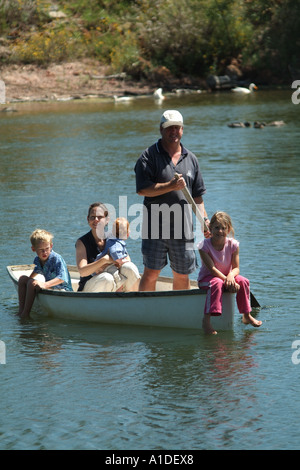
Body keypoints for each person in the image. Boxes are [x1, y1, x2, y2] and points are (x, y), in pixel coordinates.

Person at [134, 109, 209, 291]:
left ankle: (179, 313)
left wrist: (204, 220)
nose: (173, 132)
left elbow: (197, 196)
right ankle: (146, 311)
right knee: (151, 272)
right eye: (169, 128)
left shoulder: (191, 159)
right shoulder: (148, 156)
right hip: (155, 228)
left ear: (182, 129)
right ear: (161, 129)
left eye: (177, 128)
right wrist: (170, 186)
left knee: (182, 274)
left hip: (183, 228)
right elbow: (142, 190)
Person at [197, 211, 262, 334]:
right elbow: (212, 269)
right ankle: (206, 321)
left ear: (228, 230)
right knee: (216, 283)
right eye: (216, 227)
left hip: (227, 277)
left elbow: (236, 268)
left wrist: (231, 275)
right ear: (210, 228)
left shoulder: (233, 244)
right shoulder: (203, 246)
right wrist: (227, 280)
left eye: (223, 228)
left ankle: (246, 315)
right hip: (207, 279)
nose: (220, 231)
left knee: (243, 281)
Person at [75, 203, 139, 292]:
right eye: (92, 217)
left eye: (100, 217)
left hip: (114, 283)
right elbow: (82, 271)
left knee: (130, 267)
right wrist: (104, 260)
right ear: (88, 219)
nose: (96, 220)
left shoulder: (113, 237)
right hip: (90, 287)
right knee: (106, 278)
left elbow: (127, 259)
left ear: (107, 220)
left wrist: (114, 262)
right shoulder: (82, 242)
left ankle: (134, 300)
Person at [18, 229, 72, 318]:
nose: (44, 252)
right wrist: (27, 280)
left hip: (62, 288)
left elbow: (62, 278)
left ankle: (25, 314)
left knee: (32, 283)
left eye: (47, 249)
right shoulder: (37, 260)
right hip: (50, 287)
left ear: (51, 246)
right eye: (41, 250)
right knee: (22, 279)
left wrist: (44, 284)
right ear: (33, 249)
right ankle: (21, 311)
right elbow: (37, 270)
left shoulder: (56, 258)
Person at [94, 217, 140, 292]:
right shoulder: (116, 243)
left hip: (109, 264)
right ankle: (119, 288)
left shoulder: (114, 240)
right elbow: (114, 252)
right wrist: (122, 261)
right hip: (107, 265)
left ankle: (121, 287)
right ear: (127, 234)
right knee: (114, 273)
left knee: (116, 271)